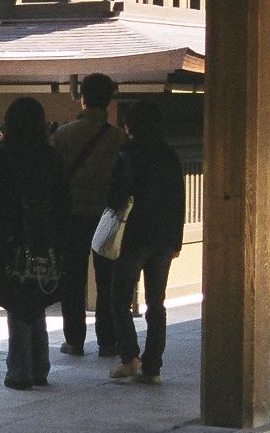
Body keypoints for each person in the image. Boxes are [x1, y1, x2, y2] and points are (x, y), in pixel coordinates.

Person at [0, 97, 69, 390]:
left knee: (16, 298)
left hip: (10, 239)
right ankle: (40, 366)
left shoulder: (1, 156)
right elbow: (62, 201)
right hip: (45, 239)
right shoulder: (50, 157)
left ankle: (20, 370)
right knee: (37, 296)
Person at [106, 100, 185, 384]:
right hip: (163, 237)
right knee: (156, 302)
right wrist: (176, 240)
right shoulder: (169, 155)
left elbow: (115, 197)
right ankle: (152, 367)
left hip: (133, 236)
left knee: (119, 299)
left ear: (132, 125)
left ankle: (130, 358)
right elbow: (179, 199)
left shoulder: (127, 154)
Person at [51, 73, 126, 357]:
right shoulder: (119, 138)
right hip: (107, 216)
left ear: (82, 98)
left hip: (72, 216)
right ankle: (108, 340)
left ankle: (74, 339)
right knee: (107, 279)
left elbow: (55, 178)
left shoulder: (63, 135)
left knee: (72, 277)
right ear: (109, 101)